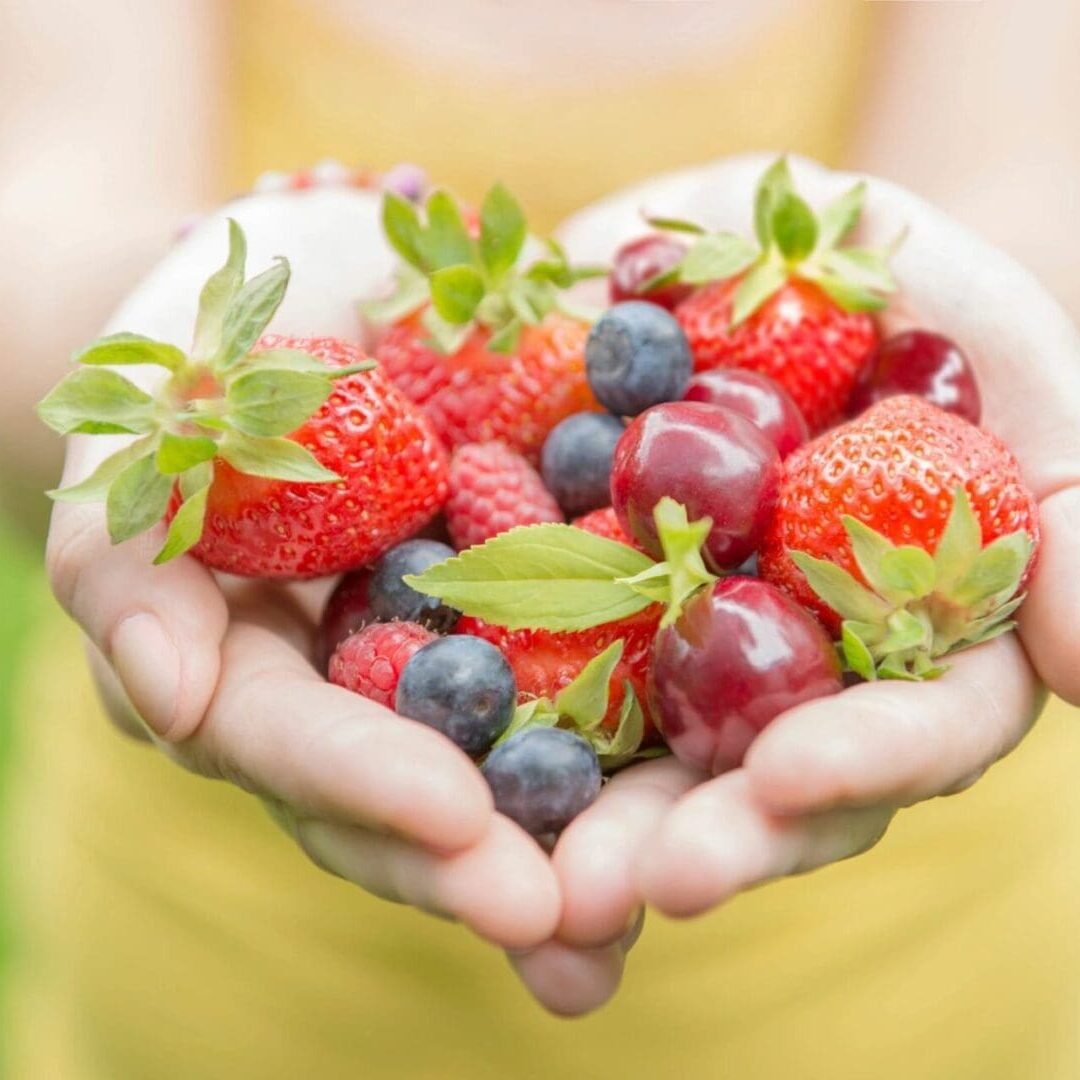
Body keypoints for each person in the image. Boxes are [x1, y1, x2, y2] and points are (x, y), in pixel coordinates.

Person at [3, 2, 1080, 1077]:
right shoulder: (462, 469)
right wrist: (179, 332)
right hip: (234, 981)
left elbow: (1028, 179)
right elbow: (38, 216)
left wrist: (982, 286)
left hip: (894, 990)